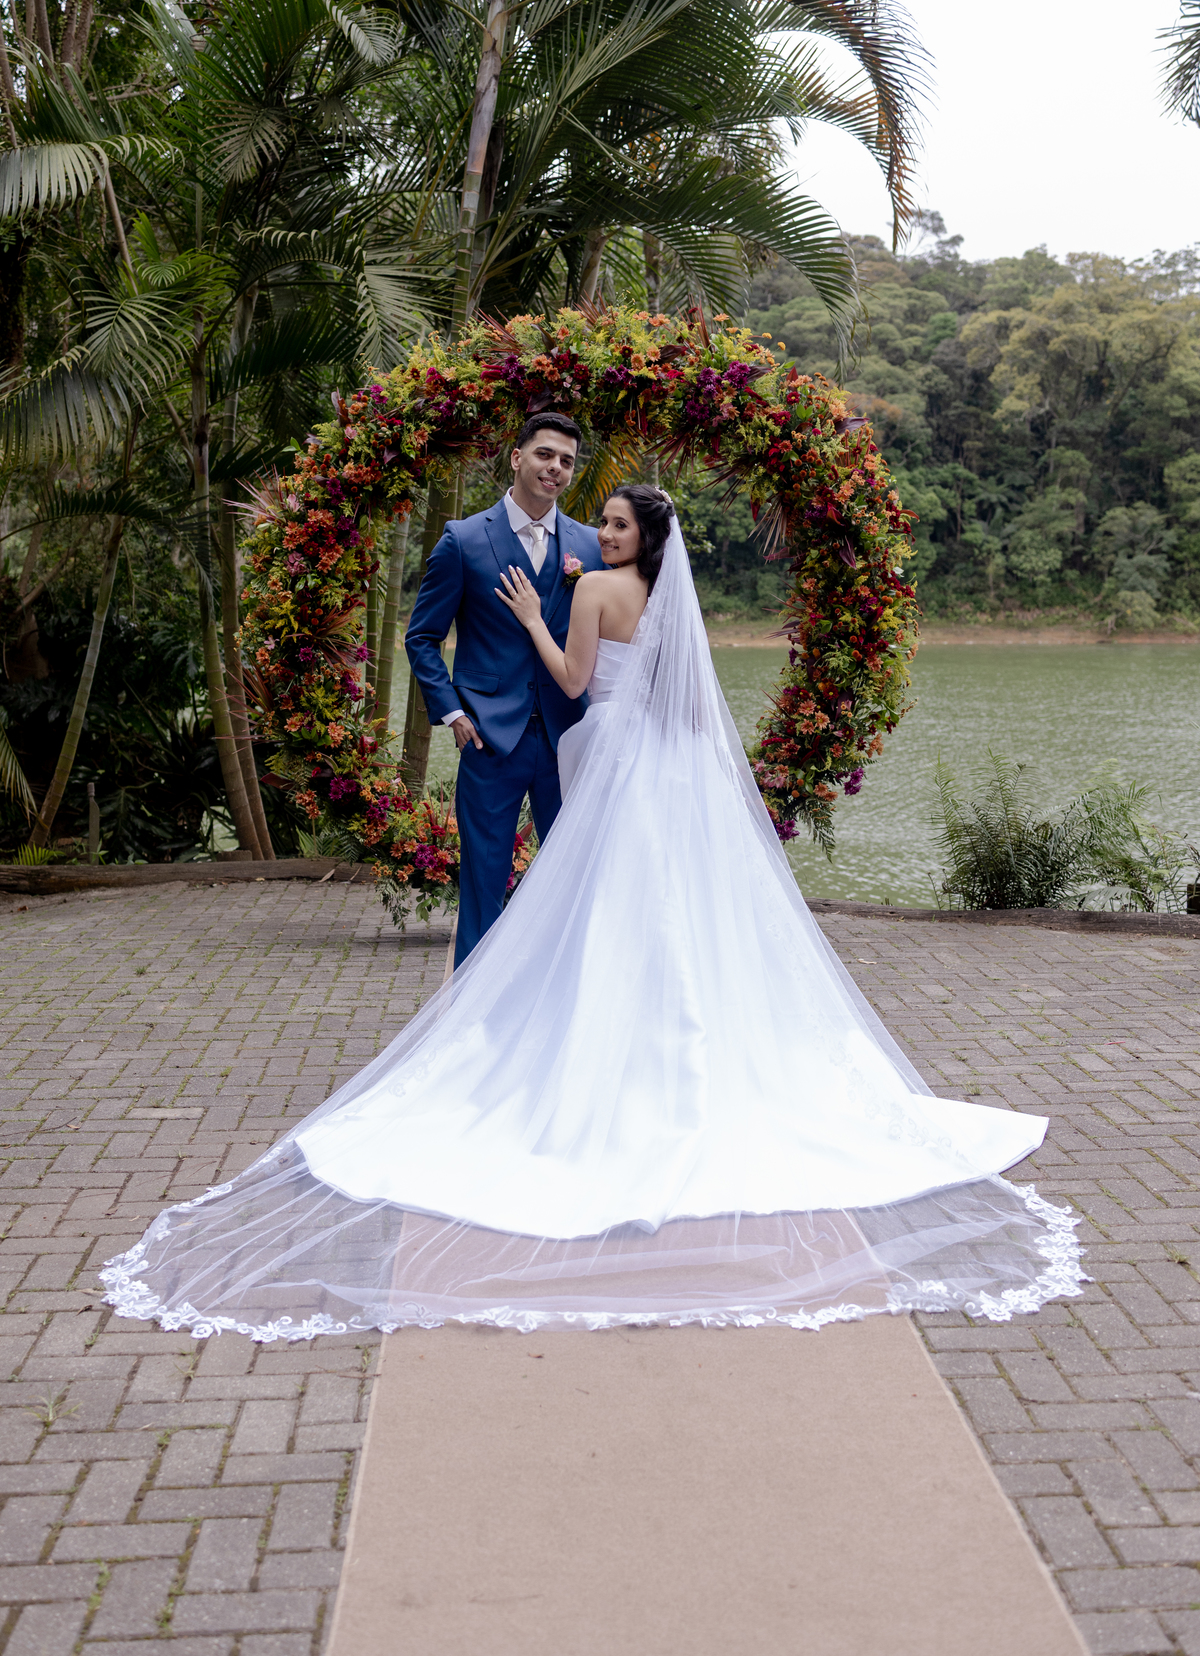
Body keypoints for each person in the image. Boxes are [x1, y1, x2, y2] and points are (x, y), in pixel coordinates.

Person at [100, 486, 1086, 1340]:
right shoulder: (671, 605)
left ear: (638, 539)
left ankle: (608, 1054)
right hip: (670, 767)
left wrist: (534, 612)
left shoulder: (592, 591)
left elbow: (574, 683)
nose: (602, 535)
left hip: (611, 760)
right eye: (601, 524)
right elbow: (693, 714)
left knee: (602, 911)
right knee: (675, 915)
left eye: (615, 524)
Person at [403, 412, 605, 966]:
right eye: (545, 455)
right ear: (517, 458)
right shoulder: (463, 539)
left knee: (575, 877)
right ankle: (474, 1017)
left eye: (566, 461)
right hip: (489, 736)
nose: (556, 469)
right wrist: (450, 713)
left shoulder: (590, 547)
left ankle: (564, 998)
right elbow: (422, 638)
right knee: (484, 878)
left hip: (570, 736)